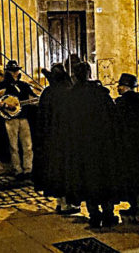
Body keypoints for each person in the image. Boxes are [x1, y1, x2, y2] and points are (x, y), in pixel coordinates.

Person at [65, 62, 119, 228]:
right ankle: (108, 213)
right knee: (104, 179)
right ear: (89, 73)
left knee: (87, 180)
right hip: (101, 144)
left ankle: (94, 214)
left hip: (82, 145)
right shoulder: (100, 93)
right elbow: (112, 117)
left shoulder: (72, 97)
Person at [33, 64, 79, 214]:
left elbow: (41, 118)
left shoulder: (47, 93)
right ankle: (66, 204)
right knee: (66, 172)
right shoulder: (68, 92)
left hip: (50, 140)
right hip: (66, 139)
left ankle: (60, 202)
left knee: (55, 171)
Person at [0, 60, 37, 180]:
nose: (15, 73)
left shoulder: (24, 85)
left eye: (16, 70)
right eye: (12, 71)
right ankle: (17, 170)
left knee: (27, 145)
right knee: (13, 146)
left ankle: (28, 169)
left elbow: (32, 98)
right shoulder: (3, 85)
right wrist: (5, 105)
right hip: (10, 119)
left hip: (23, 117)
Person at [115, 73, 139, 224]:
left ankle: (134, 208)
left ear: (124, 86)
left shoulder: (121, 103)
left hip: (126, 146)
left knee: (129, 179)